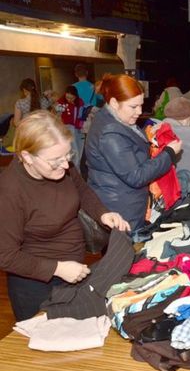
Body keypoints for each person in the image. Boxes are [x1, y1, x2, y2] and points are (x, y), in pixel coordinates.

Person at [0, 110, 130, 321]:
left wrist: (103, 214)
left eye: (68, 156)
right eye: (55, 161)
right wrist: (57, 269)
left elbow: (82, 190)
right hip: (37, 287)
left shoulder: (61, 165)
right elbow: (5, 256)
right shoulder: (9, 192)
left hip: (72, 271)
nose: (65, 165)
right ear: (27, 156)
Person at [85, 74, 182, 231]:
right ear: (114, 102)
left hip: (121, 201)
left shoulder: (111, 118)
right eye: (133, 107)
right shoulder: (110, 133)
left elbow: (128, 142)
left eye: (141, 105)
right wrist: (169, 153)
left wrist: (147, 133)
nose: (139, 111)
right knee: (127, 246)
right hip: (122, 209)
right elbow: (136, 176)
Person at [55, 85, 85, 168]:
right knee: (74, 152)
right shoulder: (62, 101)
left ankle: (77, 169)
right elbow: (57, 114)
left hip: (79, 130)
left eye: (71, 98)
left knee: (79, 150)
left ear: (76, 96)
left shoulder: (80, 102)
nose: (69, 99)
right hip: (68, 128)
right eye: (67, 97)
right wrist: (58, 109)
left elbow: (81, 116)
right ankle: (75, 170)